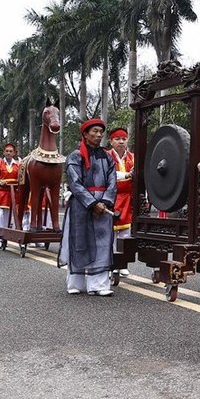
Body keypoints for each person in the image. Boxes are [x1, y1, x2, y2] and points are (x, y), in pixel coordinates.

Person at [57, 119, 117, 296]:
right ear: (85, 134)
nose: (99, 135)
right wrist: (92, 203)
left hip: (103, 204)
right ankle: (75, 282)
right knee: (80, 241)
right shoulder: (75, 156)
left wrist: (104, 202)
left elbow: (112, 182)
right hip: (81, 205)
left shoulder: (107, 156)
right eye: (95, 131)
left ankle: (98, 284)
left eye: (101, 132)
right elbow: (75, 184)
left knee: (102, 242)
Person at [107, 127, 134, 277]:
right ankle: (110, 263)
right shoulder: (106, 156)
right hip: (112, 197)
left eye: (124, 139)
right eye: (117, 139)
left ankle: (122, 263)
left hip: (127, 199)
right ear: (111, 141)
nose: (121, 142)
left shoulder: (133, 157)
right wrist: (127, 175)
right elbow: (108, 174)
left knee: (126, 233)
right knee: (111, 233)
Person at [0, 143, 20, 249]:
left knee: (8, 218)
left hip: (12, 193)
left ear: (14, 153)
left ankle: (6, 237)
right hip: (0, 193)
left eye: (10, 151)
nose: (8, 153)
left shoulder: (18, 164)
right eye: (7, 151)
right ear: (4, 152)